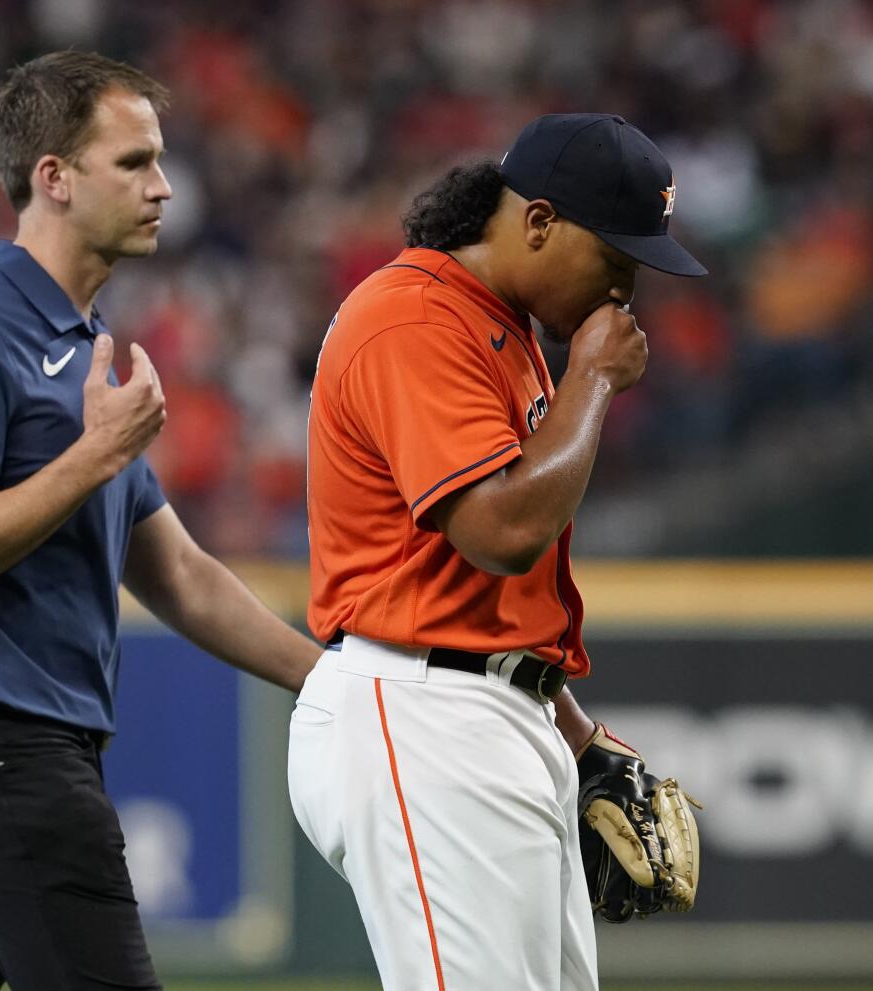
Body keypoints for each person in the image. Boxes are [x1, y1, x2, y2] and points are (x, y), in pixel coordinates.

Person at [0, 51, 322, 991]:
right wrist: (95, 455)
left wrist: (330, 681)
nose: (165, 186)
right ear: (53, 179)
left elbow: (179, 574)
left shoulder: (70, 346)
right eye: (136, 162)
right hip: (2, 755)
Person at [289, 113, 707, 991]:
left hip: (486, 709)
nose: (625, 292)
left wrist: (576, 733)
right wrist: (592, 378)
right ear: (540, 223)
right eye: (617, 259)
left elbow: (488, 601)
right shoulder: (414, 317)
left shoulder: (501, 330)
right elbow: (501, 533)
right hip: (423, 714)